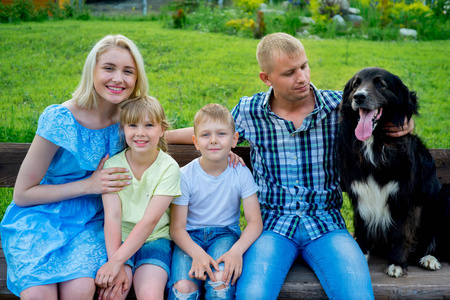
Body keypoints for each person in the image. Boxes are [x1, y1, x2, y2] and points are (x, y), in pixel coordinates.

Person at [165, 32, 414, 300]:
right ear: (266, 78)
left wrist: (405, 124)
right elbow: (212, 131)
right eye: (289, 72)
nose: (302, 78)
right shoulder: (250, 112)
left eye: (304, 66)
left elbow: (385, 110)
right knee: (252, 296)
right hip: (272, 226)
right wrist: (158, 136)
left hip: (326, 225)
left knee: (357, 295)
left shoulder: (337, 108)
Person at [0, 34, 148, 299]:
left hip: (93, 222)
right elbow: (22, 194)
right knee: (38, 295)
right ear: (92, 71)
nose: (118, 78)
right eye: (108, 68)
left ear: (136, 79)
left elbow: (163, 134)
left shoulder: (129, 120)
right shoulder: (60, 119)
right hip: (40, 218)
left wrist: (218, 143)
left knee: (80, 290)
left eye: (128, 71)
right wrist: (89, 185)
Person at [168, 104, 263, 300]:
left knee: (220, 281)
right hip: (189, 237)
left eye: (221, 134)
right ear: (195, 142)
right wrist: (196, 253)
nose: (213, 140)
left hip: (224, 234)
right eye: (205, 135)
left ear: (234, 139)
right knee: (183, 288)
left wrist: (236, 251)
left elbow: (255, 222)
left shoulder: (241, 173)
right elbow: (177, 228)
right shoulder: (185, 176)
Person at [95, 96, 181, 300]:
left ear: (162, 130)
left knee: (150, 294)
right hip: (118, 240)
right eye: (132, 125)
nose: (140, 132)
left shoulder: (168, 168)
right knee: (112, 293)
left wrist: (116, 263)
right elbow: (113, 217)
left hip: (155, 240)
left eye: (149, 125)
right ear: (123, 129)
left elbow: (149, 222)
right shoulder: (112, 166)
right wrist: (116, 261)